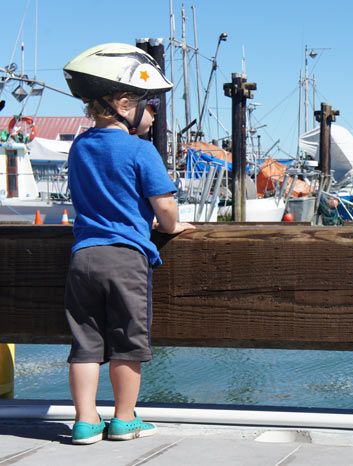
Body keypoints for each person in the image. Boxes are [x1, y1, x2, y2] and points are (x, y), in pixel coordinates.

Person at [62, 43, 194, 445]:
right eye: (149, 102)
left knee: (85, 343)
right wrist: (173, 227)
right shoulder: (141, 151)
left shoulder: (80, 147)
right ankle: (123, 419)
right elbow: (165, 209)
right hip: (126, 259)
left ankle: (85, 422)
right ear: (122, 102)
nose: (154, 111)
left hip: (83, 257)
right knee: (126, 342)